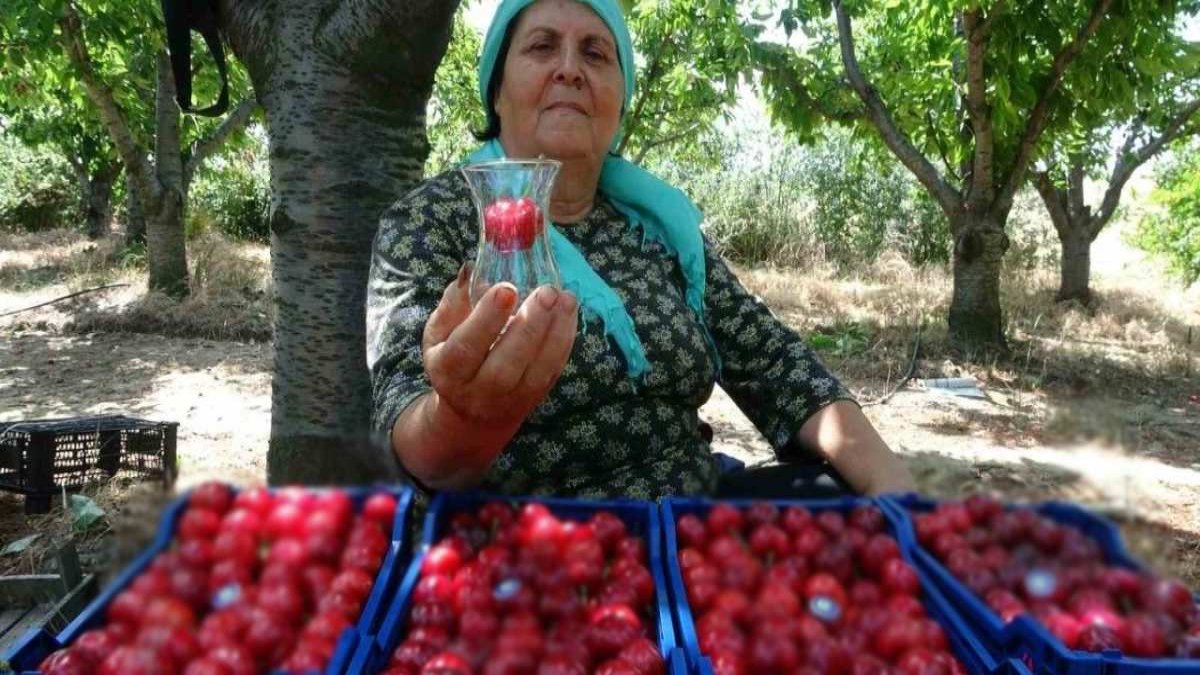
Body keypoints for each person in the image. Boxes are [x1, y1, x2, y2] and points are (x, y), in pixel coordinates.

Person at [365, 0, 916, 500]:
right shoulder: (429, 222)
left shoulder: (657, 227)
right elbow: (412, 437)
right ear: (496, 89)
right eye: (541, 46)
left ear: (620, 97)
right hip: (529, 552)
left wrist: (897, 492)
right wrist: (466, 420)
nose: (570, 69)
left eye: (596, 53)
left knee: (849, 504)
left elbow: (774, 361)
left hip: (691, 525)